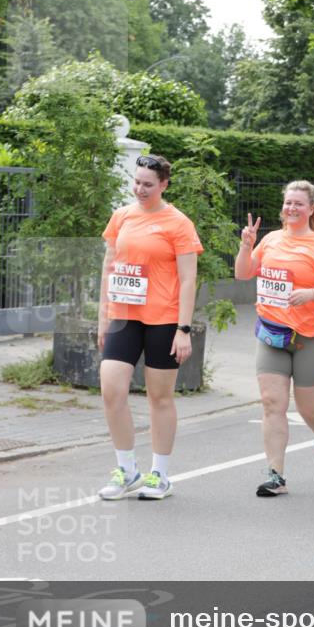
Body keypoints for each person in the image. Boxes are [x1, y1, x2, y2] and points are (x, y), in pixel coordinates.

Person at [97, 154, 203, 501]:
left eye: (147, 184)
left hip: (163, 319)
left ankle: (160, 475)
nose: (139, 189)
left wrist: (183, 329)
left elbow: (188, 279)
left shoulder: (178, 223)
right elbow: (109, 267)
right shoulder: (122, 217)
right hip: (124, 317)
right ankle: (127, 470)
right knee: (112, 390)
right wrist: (103, 317)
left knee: (159, 397)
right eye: (137, 181)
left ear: (163, 185)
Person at [235, 180, 314, 497]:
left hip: (313, 335)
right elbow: (243, 274)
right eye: (288, 203)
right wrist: (246, 245)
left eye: (298, 203)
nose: (291, 208)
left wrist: (311, 293)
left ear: (311, 209)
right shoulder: (270, 240)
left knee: (309, 408)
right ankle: (276, 475)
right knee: (272, 403)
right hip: (272, 332)